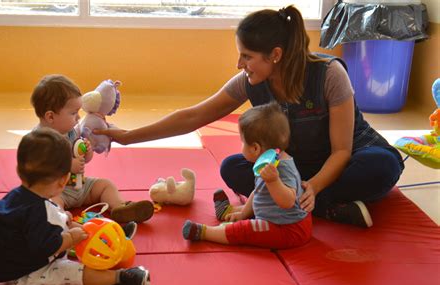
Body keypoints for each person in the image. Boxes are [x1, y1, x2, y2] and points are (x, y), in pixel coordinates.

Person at [93, 6, 404, 228]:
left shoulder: (329, 75)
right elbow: (193, 116)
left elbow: (341, 150)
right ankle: (332, 209)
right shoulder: (250, 81)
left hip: (347, 157)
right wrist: (127, 136)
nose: (239, 63)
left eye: (247, 56)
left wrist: (314, 187)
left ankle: (311, 204)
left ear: (276, 55)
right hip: (296, 166)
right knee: (233, 167)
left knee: (382, 167)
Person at [0, 128, 151, 285]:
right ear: (63, 181)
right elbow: (46, 247)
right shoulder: (39, 211)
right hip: (29, 274)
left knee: (73, 227)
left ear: (19, 171)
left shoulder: (17, 196)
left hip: (23, 260)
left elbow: (38, 223)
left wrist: (63, 218)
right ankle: (121, 279)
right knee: (74, 272)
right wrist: (70, 238)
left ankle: (111, 240)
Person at [182, 103, 311, 248]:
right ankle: (230, 212)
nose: (241, 146)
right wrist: (244, 212)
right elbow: (258, 191)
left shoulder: (282, 167)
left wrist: (274, 181)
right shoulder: (268, 162)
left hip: (289, 229)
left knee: (245, 231)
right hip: (278, 220)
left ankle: (205, 232)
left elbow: (288, 202)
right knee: (248, 218)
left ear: (255, 148)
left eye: (242, 142)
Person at [31, 74, 154, 224]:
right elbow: (38, 169)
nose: (78, 118)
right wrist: (67, 165)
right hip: (56, 191)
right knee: (50, 204)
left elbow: (83, 158)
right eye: (73, 113)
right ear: (50, 117)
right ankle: (64, 222)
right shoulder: (39, 140)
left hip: (80, 186)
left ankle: (120, 208)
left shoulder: (70, 131)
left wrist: (87, 151)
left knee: (105, 185)